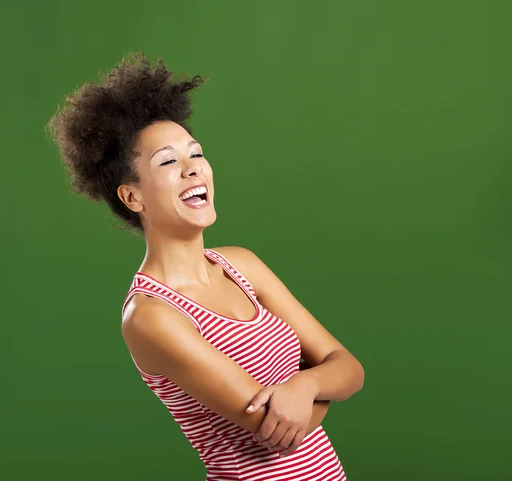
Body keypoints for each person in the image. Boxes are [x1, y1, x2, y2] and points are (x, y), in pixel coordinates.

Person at [47, 52, 364, 481]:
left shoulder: (241, 264)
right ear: (132, 197)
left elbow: (349, 367)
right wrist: (322, 382)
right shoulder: (150, 315)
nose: (192, 167)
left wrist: (304, 385)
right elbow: (280, 430)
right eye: (167, 161)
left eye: (195, 153)